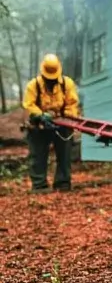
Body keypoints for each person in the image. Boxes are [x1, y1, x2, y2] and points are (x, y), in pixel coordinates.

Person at [22, 53, 80, 193]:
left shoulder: (67, 84)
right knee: (38, 154)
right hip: (39, 123)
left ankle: (63, 183)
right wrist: (41, 115)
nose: (51, 81)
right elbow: (28, 105)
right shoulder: (33, 85)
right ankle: (39, 184)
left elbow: (72, 103)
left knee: (64, 154)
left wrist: (66, 116)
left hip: (62, 123)